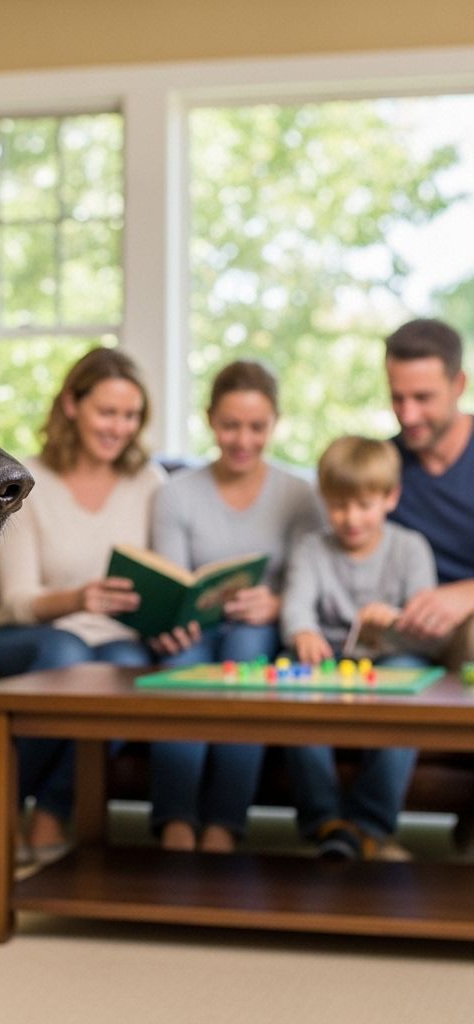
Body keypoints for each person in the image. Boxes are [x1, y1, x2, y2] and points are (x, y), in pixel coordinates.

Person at [0, 347, 165, 862]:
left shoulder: (150, 482)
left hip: (116, 639)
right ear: (71, 406)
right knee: (65, 655)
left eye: (131, 416)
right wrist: (80, 598)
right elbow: (16, 601)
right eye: (108, 412)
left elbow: (166, 575)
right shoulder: (26, 480)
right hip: (29, 633)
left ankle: (51, 810)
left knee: (131, 673)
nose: (119, 427)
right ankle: (3, 808)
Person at [148, 360, 322, 853]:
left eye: (256, 427)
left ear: (274, 424)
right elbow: (173, 582)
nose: (243, 439)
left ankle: (226, 822)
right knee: (179, 668)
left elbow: (314, 578)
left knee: (249, 658)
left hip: (259, 628)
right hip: (196, 632)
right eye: (230, 425)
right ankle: (176, 819)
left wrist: (279, 602)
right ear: (209, 420)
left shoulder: (300, 495)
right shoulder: (176, 494)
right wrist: (176, 619)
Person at [281, 436, 437, 860]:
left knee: (409, 686)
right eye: (338, 506)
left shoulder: (410, 548)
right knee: (294, 691)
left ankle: (368, 826)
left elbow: (426, 621)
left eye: (364, 505)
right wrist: (303, 633)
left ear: (391, 498)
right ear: (324, 500)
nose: (351, 518)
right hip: (328, 661)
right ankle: (326, 822)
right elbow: (296, 607)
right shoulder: (312, 547)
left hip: (391, 658)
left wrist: (396, 619)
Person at [382, 318, 474, 670]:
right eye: (397, 398)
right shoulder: (383, 466)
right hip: (405, 630)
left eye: (423, 398)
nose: (408, 415)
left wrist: (467, 594)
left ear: (458, 384)